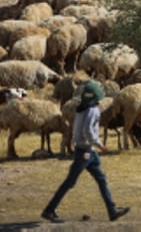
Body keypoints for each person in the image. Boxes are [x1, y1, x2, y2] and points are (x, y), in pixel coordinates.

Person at [41, 80, 130, 223]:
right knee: (70, 182)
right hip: (85, 151)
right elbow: (88, 130)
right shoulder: (93, 110)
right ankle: (49, 210)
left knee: (101, 179)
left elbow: (78, 130)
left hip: (87, 151)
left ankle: (112, 210)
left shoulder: (81, 108)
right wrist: (100, 144)